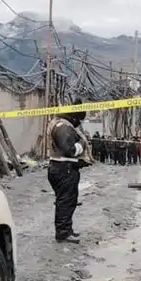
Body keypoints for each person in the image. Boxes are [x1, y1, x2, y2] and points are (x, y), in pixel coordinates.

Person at [48, 101, 91, 244]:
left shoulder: (61, 124)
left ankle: (67, 229)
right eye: (78, 120)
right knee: (65, 202)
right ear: (73, 117)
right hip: (64, 169)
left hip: (64, 168)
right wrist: (82, 144)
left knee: (69, 201)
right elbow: (69, 150)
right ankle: (63, 233)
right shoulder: (63, 127)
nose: (79, 123)